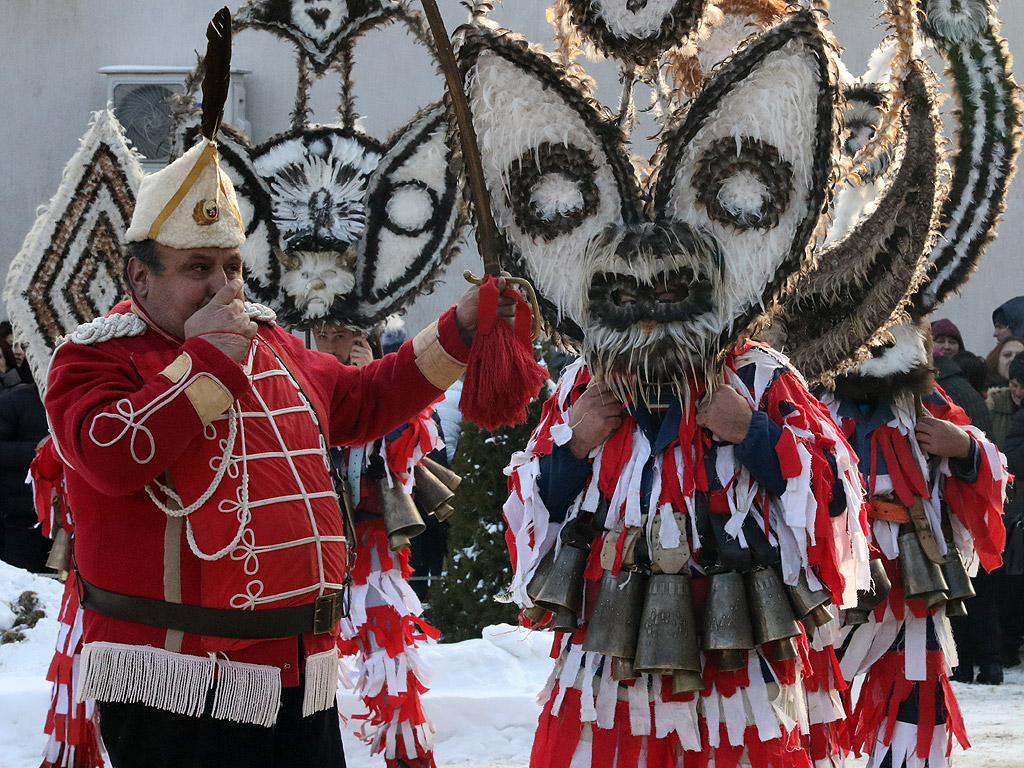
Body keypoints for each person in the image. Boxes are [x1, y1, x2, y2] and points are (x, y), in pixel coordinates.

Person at [43, 128, 512, 768]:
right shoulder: (93, 358)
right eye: (197, 268)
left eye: (232, 266)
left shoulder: (274, 344)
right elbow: (113, 456)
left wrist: (458, 330)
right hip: (176, 683)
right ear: (139, 277)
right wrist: (204, 360)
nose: (222, 287)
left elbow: (362, 400)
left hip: (296, 667)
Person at [822, 322, 1007, 765]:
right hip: (836, 575)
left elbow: (992, 464)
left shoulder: (927, 404)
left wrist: (963, 447)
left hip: (915, 574)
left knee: (917, 692)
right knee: (815, 692)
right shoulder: (813, 402)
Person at [313, 321, 440, 768]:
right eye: (321, 334)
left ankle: (407, 758)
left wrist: (379, 385)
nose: (332, 344)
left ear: (363, 339)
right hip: (309, 543)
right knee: (303, 665)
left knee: (390, 662)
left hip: (370, 546)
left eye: (343, 334)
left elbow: (406, 456)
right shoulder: (294, 377)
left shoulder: (391, 385)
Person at [0, 363, 50, 572]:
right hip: (20, 519)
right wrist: (37, 451)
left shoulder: (81, 401)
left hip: (66, 521)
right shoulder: (15, 400)